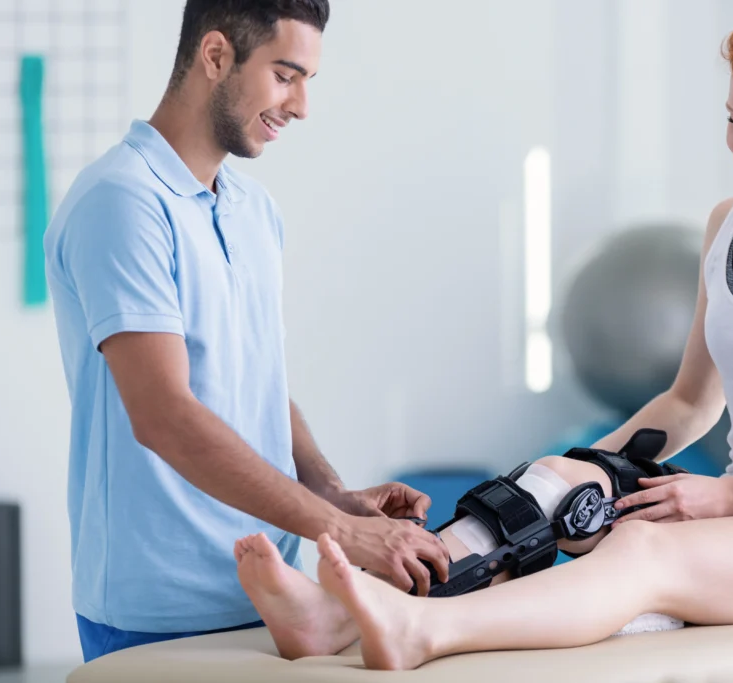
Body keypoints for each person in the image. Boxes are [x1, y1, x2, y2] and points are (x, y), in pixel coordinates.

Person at [233, 2, 733, 669]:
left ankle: (422, 628)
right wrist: (571, 471)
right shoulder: (729, 225)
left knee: (642, 551)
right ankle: (334, 616)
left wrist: (730, 496)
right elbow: (691, 401)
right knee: (551, 483)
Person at [44, 0, 449, 663]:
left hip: (272, 593)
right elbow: (164, 415)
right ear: (215, 55)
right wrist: (341, 530)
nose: (301, 106)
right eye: (285, 76)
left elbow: (256, 382)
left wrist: (331, 493)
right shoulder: (121, 200)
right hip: (160, 609)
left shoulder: (254, 210)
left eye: (307, 81)